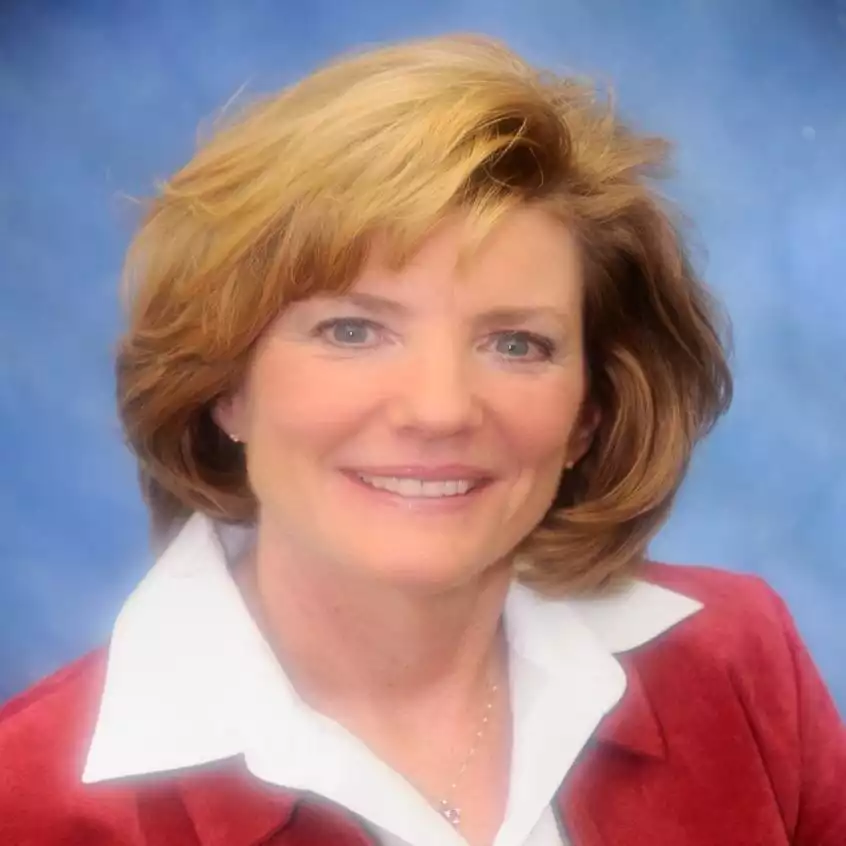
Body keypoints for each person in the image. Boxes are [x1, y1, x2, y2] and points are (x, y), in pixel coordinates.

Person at [1, 33, 843, 846]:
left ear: (589, 412)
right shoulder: (27, 804)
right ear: (225, 386)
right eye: (353, 331)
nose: (440, 410)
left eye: (517, 344)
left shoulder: (734, 662)